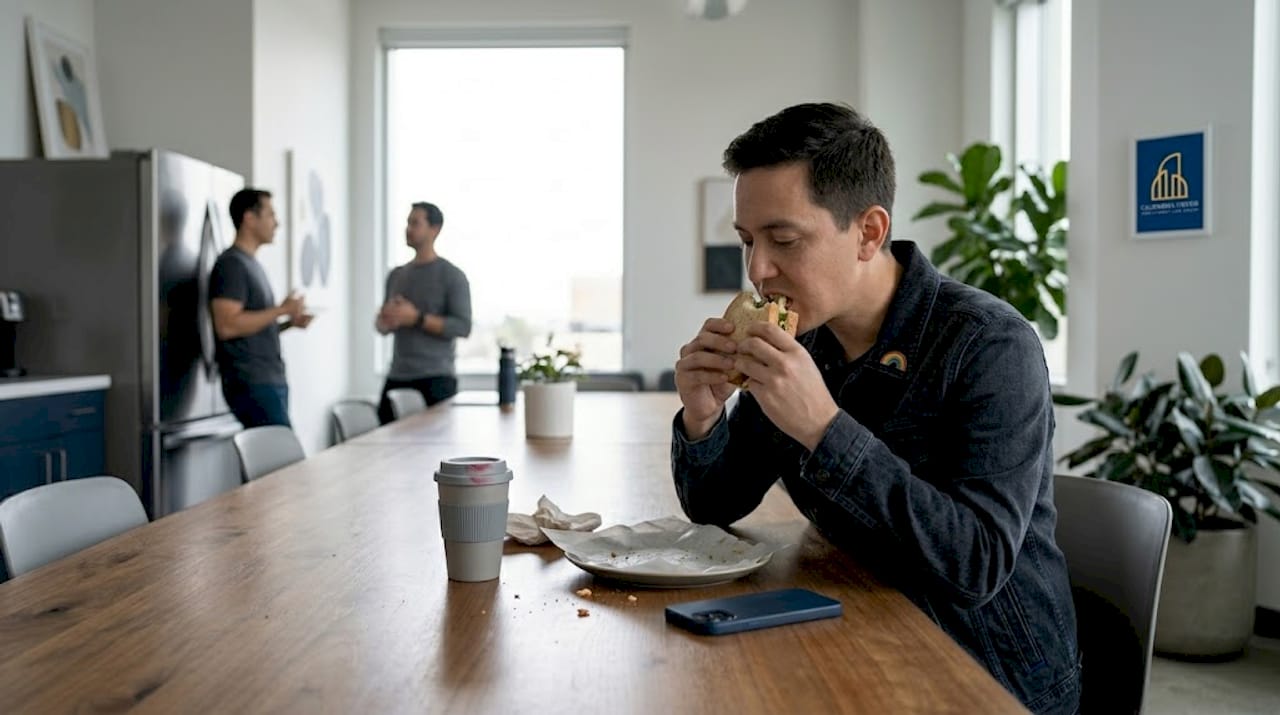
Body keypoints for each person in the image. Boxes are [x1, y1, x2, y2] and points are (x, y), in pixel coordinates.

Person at [670, 103, 1080, 714]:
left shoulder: (990, 345)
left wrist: (823, 427)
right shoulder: (801, 340)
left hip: (990, 673)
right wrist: (703, 419)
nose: (757, 270)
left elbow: (975, 565)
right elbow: (716, 504)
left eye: (783, 239)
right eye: (748, 240)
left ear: (868, 232)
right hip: (856, 619)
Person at [210, 188, 312, 428]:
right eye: (271, 215)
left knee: (279, 459)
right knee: (282, 456)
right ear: (249, 218)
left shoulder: (250, 263)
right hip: (252, 382)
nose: (277, 223)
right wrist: (281, 310)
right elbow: (226, 325)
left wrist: (288, 323)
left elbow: (250, 327)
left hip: (267, 379)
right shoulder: (232, 265)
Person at [376, 201, 472, 423]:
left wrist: (416, 318)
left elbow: (462, 327)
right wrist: (386, 320)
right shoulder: (396, 275)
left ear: (434, 229)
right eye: (407, 223)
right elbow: (381, 326)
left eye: (415, 223)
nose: (408, 229)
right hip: (397, 375)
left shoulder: (452, 276)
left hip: (436, 379)